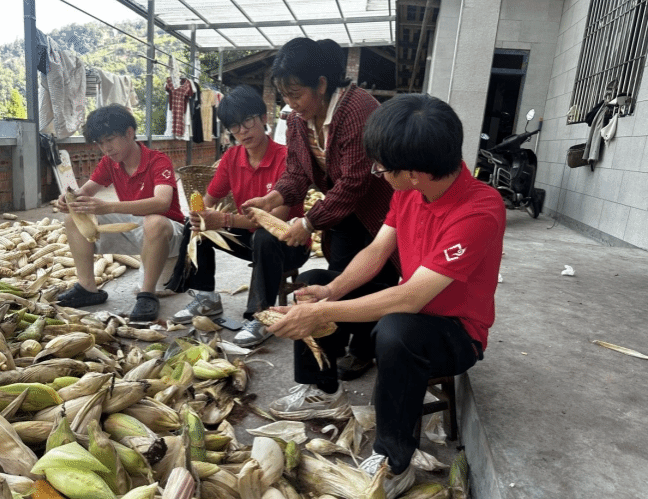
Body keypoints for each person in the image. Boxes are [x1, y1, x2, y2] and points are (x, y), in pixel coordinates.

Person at [261, 93, 506, 498]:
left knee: (396, 331)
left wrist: (324, 312)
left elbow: (410, 299)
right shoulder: (409, 190)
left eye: (381, 168)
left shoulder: (479, 210)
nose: (377, 173)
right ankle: (324, 391)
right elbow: (377, 251)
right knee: (317, 279)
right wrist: (330, 292)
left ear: (413, 173)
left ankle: (395, 462)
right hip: (409, 307)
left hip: (456, 332)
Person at [241, 37, 400, 380]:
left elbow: (354, 182)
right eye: (284, 95)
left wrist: (309, 223)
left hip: (377, 214)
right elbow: (297, 172)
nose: (290, 103)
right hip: (340, 213)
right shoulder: (298, 119)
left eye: (296, 94)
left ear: (322, 84)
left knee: (378, 279)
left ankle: (363, 350)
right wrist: (272, 199)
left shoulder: (358, 109)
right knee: (341, 276)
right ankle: (335, 345)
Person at [167, 85, 310, 346]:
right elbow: (208, 200)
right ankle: (206, 297)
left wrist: (224, 220)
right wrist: (201, 216)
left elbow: (276, 220)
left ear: (263, 118)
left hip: (289, 243)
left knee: (264, 237)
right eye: (234, 126)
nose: (242, 131)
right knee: (195, 225)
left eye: (247, 121)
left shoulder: (286, 158)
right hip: (250, 239)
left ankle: (261, 316)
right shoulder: (232, 157)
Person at [56, 104, 184, 321]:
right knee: (73, 218)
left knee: (154, 221)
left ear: (129, 133)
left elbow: (162, 203)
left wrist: (109, 207)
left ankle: (147, 295)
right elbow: (86, 191)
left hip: (169, 234)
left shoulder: (158, 160)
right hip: (135, 229)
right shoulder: (109, 163)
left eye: (110, 139)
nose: (106, 148)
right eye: (100, 143)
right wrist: (70, 199)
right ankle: (87, 288)